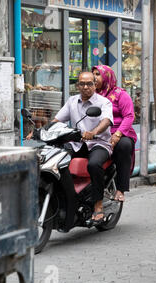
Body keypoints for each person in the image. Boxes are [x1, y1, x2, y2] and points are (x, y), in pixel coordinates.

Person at [53, 71, 114, 226]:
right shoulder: (72, 101)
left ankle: (98, 205)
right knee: (56, 159)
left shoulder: (103, 102)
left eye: (89, 84)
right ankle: (67, 197)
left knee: (93, 165)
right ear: (77, 85)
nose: (85, 87)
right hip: (77, 143)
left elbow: (106, 121)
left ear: (95, 85)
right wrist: (43, 130)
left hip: (99, 143)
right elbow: (58, 120)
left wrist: (93, 132)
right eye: (82, 84)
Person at [92, 65, 137, 203]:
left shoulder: (120, 94)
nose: (94, 77)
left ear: (107, 77)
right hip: (98, 135)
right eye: (93, 74)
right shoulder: (91, 95)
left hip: (120, 133)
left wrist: (118, 134)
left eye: (98, 74)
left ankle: (121, 189)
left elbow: (129, 116)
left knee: (124, 146)